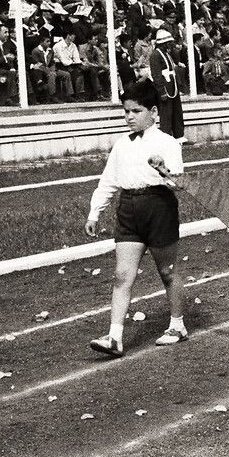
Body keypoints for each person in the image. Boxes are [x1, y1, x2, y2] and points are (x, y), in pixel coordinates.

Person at [84, 80, 187, 357]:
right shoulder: (121, 145)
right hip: (128, 208)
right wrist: (95, 212)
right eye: (126, 111)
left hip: (159, 206)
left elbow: (178, 182)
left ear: (153, 112)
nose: (129, 116)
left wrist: (163, 168)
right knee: (122, 275)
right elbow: (108, 181)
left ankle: (177, 325)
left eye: (136, 111)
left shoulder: (167, 143)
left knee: (167, 271)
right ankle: (115, 337)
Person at [150, 29, 184, 140]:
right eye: (168, 43)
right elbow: (156, 75)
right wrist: (162, 91)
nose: (170, 45)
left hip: (172, 86)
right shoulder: (155, 55)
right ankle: (166, 137)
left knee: (177, 112)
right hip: (165, 87)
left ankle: (179, 136)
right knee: (166, 114)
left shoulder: (166, 53)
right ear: (163, 43)